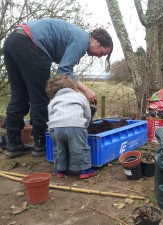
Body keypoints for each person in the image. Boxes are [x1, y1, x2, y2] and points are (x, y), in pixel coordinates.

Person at [3, 18, 113, 158]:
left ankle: (13, 145)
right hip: (30, 44)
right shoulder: (82, 39)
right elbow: (64, 70)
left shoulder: (74, 35)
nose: (99, 57)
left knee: (19, 96)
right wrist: (86, 90)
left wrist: (74, 89)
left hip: (14, 41)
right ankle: (41, 144)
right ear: (97, 42)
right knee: (40, 98)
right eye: (102, 53)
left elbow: (64, 72)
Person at [46, 74, 95, 179]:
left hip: (55, 128)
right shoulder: (80, 96)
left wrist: (53, 127)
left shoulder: (53, 100)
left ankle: (60, 170)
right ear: (72, 86)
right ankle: (85, 170)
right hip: (75, 126)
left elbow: (50, 115)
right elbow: (87, 114)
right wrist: (84, 126)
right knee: (79, 149)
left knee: (59, 149)